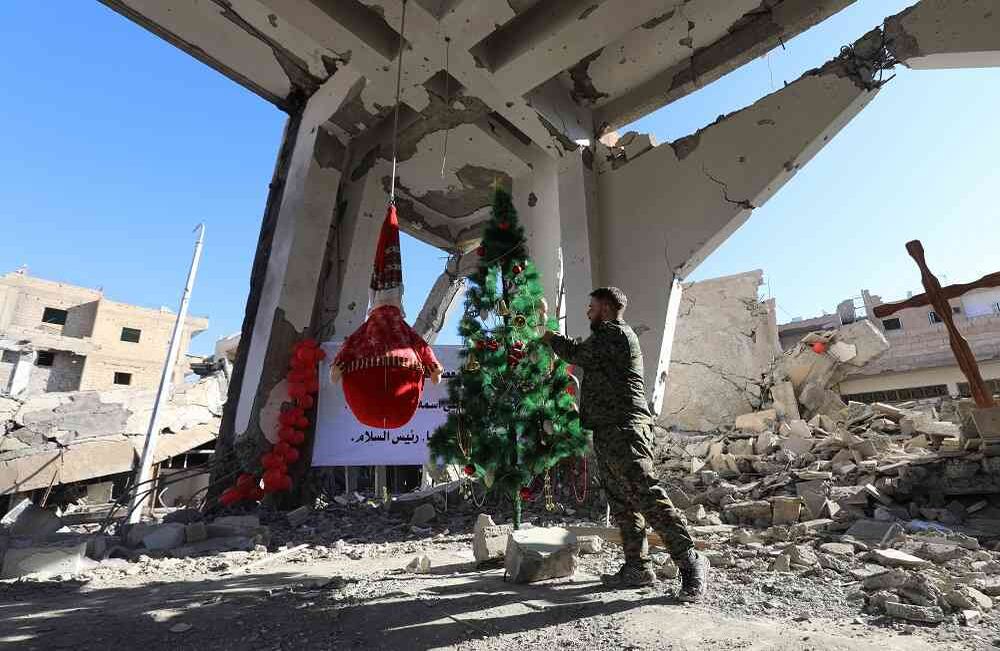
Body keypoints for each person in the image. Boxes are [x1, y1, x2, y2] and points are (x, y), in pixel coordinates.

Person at [542, 287, 708, 601]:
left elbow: (578, 355)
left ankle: (691, 561)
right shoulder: (607, 336)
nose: (587, 312)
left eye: (591, 306)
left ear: (605, 307)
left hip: (625, 430)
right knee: (622, 501)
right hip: (609, 430)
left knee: (645, 494)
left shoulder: (613, 334)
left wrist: (551, 338)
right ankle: (637, 567)